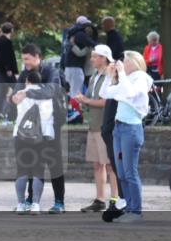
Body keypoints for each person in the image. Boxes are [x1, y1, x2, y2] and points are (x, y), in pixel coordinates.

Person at [10, 44, 66, 213]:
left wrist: (27, 93)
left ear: (36, 56)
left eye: (27, 58)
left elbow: (51, 91)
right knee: (30, 163)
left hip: (51, 125)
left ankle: (59, 202)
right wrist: (13, 98)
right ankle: (29, 200)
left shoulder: (52, 72)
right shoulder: (25, 74)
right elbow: (16, 93)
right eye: (23, 59)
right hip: (28, 129)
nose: (24, 62)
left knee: (54, 163)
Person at [98, 50, 152, 223]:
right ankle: (129, 208)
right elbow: (105, 94)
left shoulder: (141, 78)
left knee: (130, 171)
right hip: (119, 128)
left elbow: (130, 93)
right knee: (121, 172)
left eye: (126, 61)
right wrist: (109, 76)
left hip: (131, 129)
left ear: (135, 63)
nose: (123, 63)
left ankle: (135, 210)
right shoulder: (126, 79)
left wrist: (120, 73)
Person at [75, 45, 119, 212]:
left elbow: (105, 101)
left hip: (104, 125)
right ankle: (100, 199)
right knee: (97, 164)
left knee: (109, 164)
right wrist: (85, 100)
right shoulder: (95, 75)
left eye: (94, 56)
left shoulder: (110, 74)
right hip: (94, 124)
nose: (92, 59)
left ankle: (115, 199)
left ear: (103, 58)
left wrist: (85, 100)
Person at [12, 70, 56, 215]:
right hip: (41, 137)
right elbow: (49, 118)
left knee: (22, 170)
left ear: (27, 81)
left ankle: (20, 204)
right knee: (38, 170)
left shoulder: (20, 94)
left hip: (21, 136)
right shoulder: (46, 95)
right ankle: (35, 204)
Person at [63, 16, 96, 98]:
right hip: (76, 69)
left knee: (70, 92)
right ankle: (75, 110)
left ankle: (70, 109)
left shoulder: (70, 35)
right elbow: (82, 52)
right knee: (76, 94)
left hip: (68, 68)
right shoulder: (80, 35)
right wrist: (93, 47)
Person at [0, 22, 18, 122]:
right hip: (6, 71)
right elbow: (7, 57)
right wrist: (9, 69)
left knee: (2, 92)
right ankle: (12, 111)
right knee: (17, 88)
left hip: (1, 70)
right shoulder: (6, 42)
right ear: (11, 30)